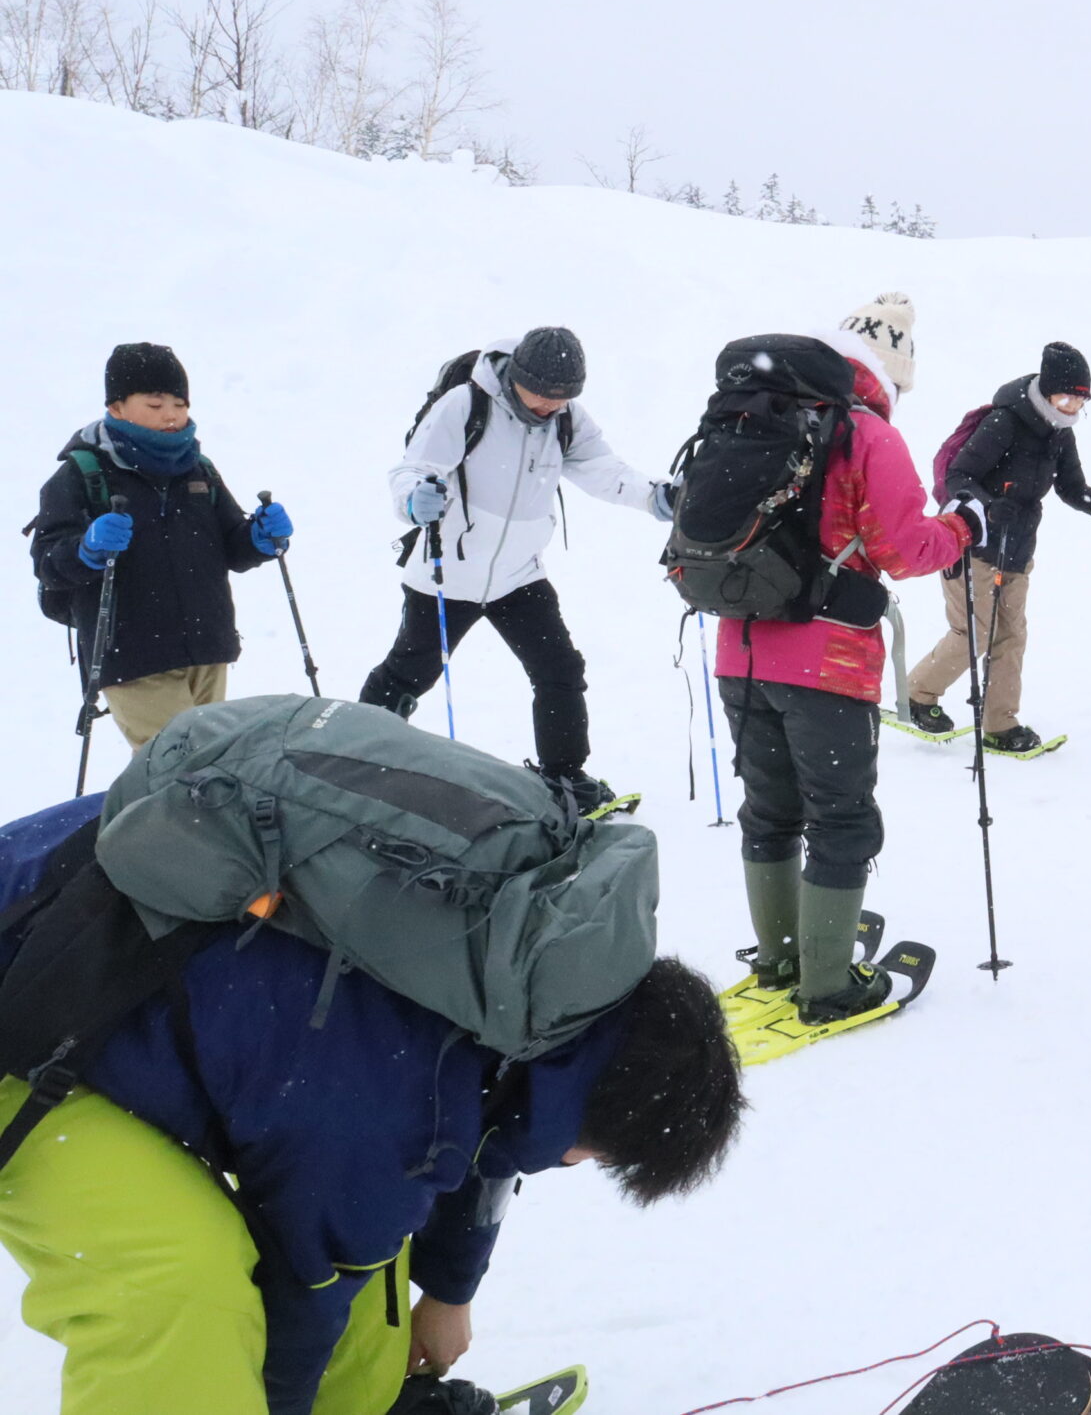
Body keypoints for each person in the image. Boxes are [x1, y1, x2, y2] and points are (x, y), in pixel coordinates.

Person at [0, 796, 745, 1415]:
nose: (579, 1162)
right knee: (179, 1285)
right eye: (604, 1154)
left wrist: (450, 1288)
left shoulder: (533, 983)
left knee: (365, 1237)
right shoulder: (390, 1097)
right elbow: (307, 1292)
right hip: (26, 1015)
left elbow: (474, 1137)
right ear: (595, 1110)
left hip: (87, 954)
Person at [717, 307, 975, 1025]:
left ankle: (779, 956)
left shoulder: (751, 418)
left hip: (738, 647)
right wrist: (961, 527)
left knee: (769, 812)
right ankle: (827, 985)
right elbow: (901, 549)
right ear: (887, 369)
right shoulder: (865, 431)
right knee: (842, 822)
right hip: (825, 661)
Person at [357, 328, 670, 813]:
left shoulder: (566, 419)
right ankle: (352, 761)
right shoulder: (466, 406)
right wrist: (414, 501)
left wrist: (655, 495)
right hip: (448, 574)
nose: (550, 406)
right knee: (408, 675)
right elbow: (412, 470)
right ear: (517, 377)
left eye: (563, 398)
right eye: (542, 394)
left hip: (518, 576)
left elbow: (605, 470)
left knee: (559, 669)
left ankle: (564, 780)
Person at [27, 343, 292, 750]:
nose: (171, 415)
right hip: (132, 656)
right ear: (116, 407)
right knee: (184, 772)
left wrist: (260, 538)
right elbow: (48, 561)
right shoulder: (83, 473)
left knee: (211, 770)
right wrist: (87, 548)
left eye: (179, 403)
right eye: (154, 405)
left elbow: (232, 547)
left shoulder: (198, 469)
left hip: (208, 648)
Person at [906, 341, 1091, 753]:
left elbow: (1071, 488)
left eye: (1080, 400)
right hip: (971, 546)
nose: (1071, 407)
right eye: (1066, 397)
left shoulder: (1060, 434)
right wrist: (990, 508)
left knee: (1010, 636)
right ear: (1047, 391)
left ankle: (1000, 723)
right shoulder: (1004, 423)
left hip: (1018, 551)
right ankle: (917, 696)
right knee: (974, 633)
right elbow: (959, 476)